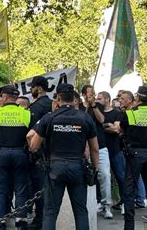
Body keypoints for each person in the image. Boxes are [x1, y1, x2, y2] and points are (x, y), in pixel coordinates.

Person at [28, 83, 99, 230]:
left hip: (55, 167)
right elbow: (94, 149)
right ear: (74, 98)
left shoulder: (49, 118)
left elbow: (33, 145)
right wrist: (94, 169)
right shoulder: (85, 118)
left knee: (50, 213)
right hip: (77, 168)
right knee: (80, 211)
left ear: (58, 98)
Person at [120, 86, 147, 230]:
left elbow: (122, 128)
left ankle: (129, 226)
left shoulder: (130, 113)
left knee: (129, 191)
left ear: (137, 98)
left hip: (134, 154)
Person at [0, 85, 31, 229]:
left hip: (1, 153)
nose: (0, 99)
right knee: (20, 189)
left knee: (0, 189)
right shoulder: (25, 113)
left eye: (1, 96)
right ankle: (21, 222)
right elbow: (30, 136)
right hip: (20, 153)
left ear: (6, 97)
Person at [80, 85, 113, 219]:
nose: (92, 95)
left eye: (93, 92)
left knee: (104, 175)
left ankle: (106, 205)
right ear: (83, 94)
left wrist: (93, 105)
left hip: (100, 146)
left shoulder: (97, 106)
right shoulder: (80, 107)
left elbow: (101, 120)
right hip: (83, 147)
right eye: (89, 93)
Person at [27, 75, 53, 229]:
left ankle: (40, 220)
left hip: (39, 154)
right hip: (53, 152)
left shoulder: (36, 107)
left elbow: (31, 132)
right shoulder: (53, 105)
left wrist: (32, 150)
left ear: (40, 88)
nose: (31, 90)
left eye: (33, 87)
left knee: (39, 189)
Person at [97, 91, 125, 215]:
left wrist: (104, 126)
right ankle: (102, 203)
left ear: (107, 99)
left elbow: (116, 129)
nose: (97, 100)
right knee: (102, 177)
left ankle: (124, 202)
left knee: (120, 177)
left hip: (114, 150)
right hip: (101, 150)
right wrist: (107, 125)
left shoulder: (117, 113)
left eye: (100, 98)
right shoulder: (97, 112)